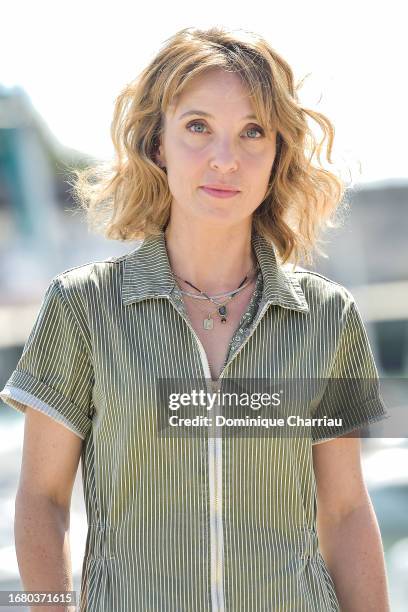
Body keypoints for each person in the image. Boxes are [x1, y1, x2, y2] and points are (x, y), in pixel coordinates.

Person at [0, 26, 391, 612]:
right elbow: (41, 499)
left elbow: (345, 511)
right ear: (158, 144)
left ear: (277, 153)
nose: (225, 159)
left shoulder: (329, 317)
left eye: (252, 131)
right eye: (198, 127)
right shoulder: (81, 308)